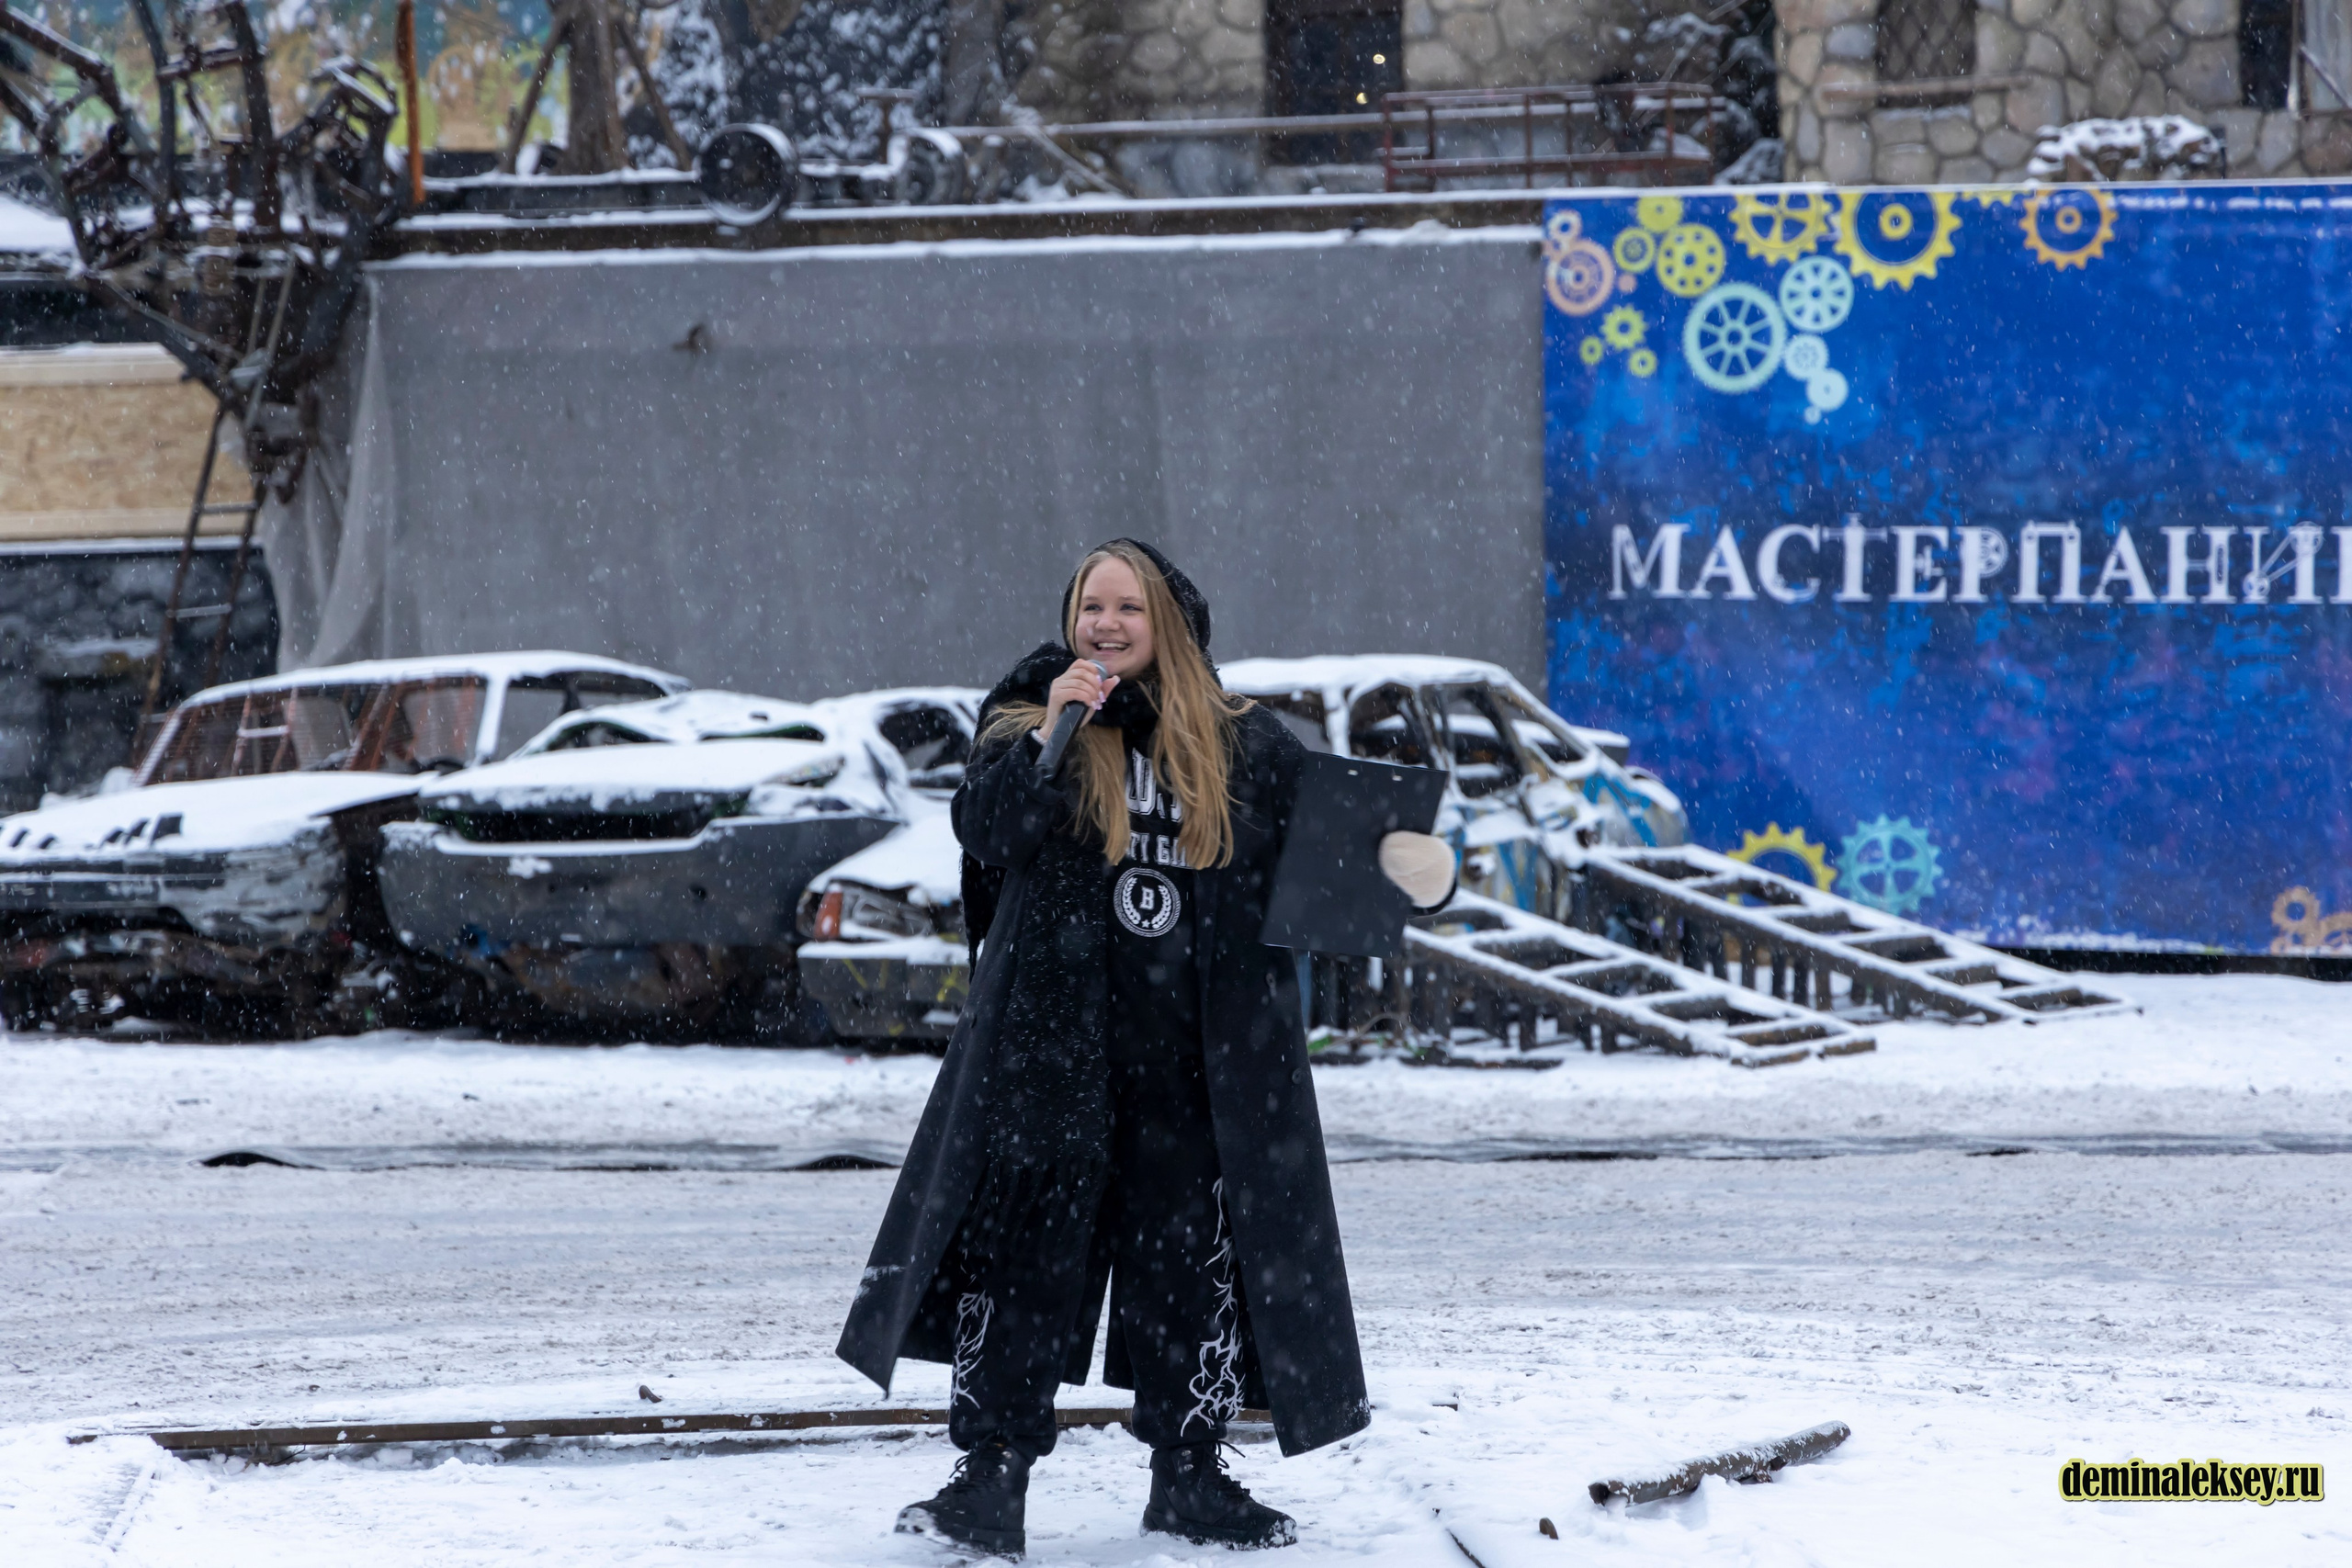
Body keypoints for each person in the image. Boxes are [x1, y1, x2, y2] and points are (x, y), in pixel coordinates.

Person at [836, 539, 1453, 1558]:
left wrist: (1418, 871)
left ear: (1167, 620)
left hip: (1195, 1063)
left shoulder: (1243, 744)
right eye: (1092, 607)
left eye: (1128, 607)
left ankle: (1189, 1476)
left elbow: (1343, 855)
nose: (1107, 624)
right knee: (1022, 1261)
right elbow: (989, 832)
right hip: (1054, 1053)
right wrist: (1056, 732)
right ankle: (990, 1475)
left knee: (1190, 1273)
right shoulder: (1028, 720)